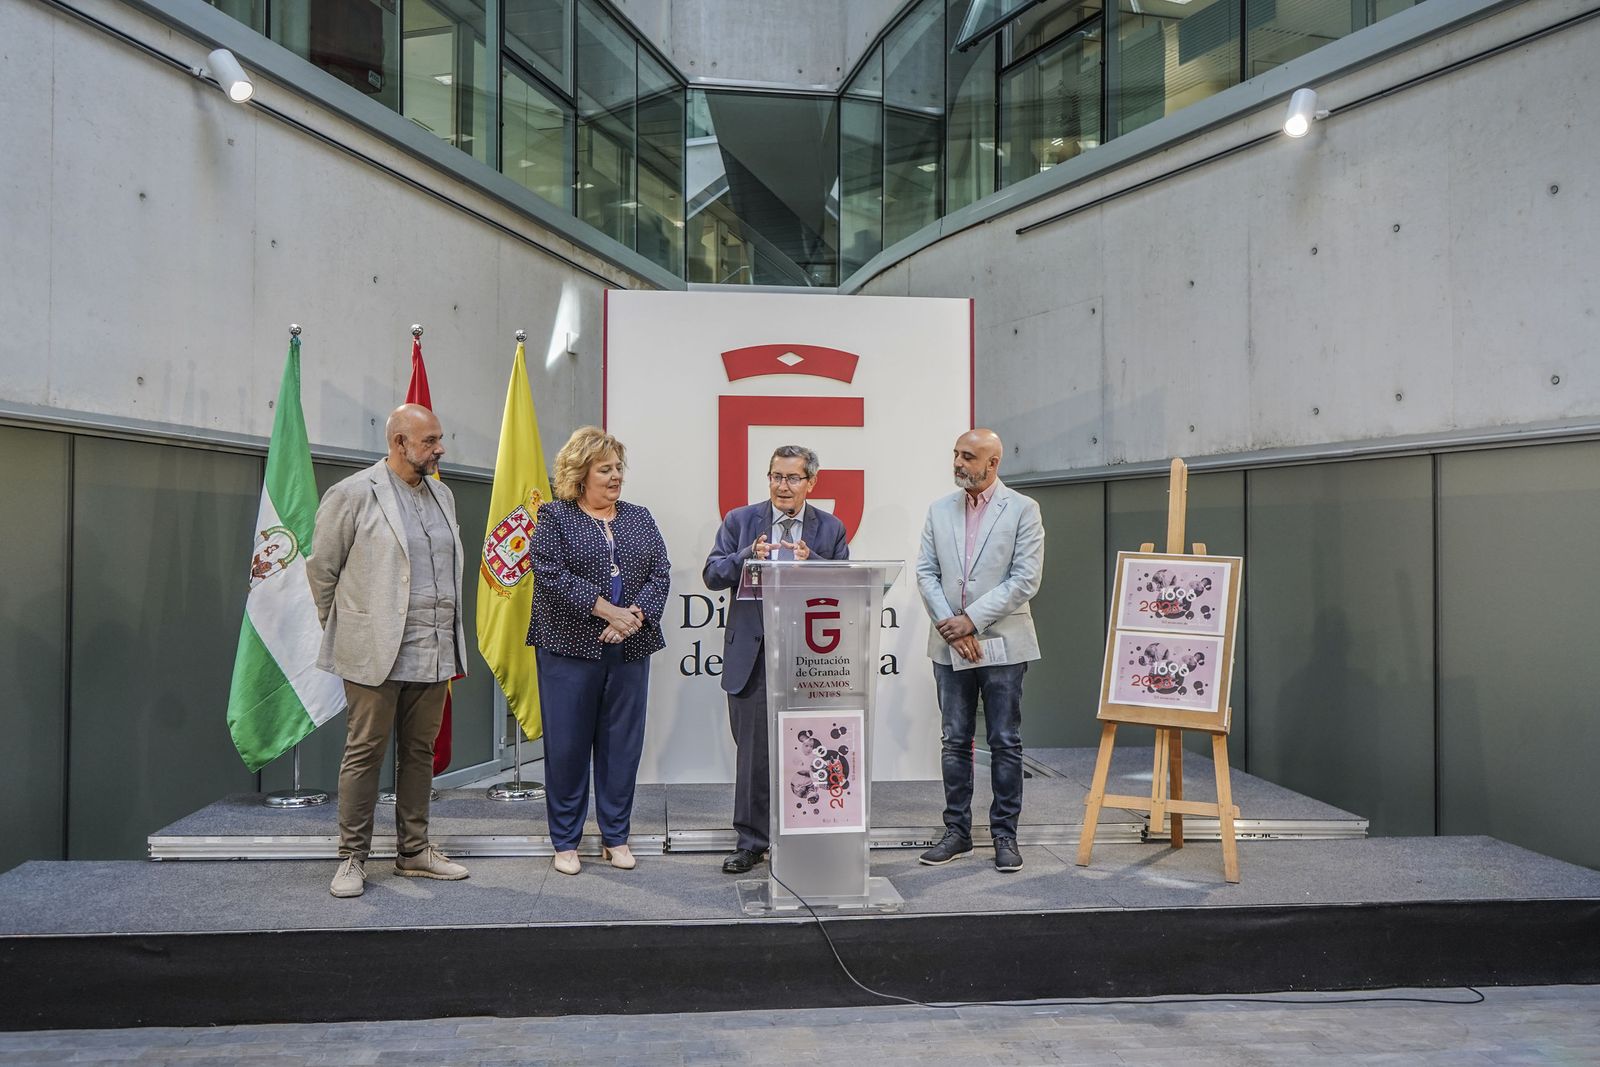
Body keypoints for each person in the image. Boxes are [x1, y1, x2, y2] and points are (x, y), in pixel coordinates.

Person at [308, 403, 471, 898]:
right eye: (430, 441)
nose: (439, 449)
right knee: (365, 753)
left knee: (419, 753)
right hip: (374, 652)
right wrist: (349, 629)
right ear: (399, 443)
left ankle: (413, 851)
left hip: (434, 648)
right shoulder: (353, 494)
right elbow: (322, 571)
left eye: (440, 439)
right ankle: (351, 858)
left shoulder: (443, 494)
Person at [527, 427, 670, 876]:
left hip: (630, 647)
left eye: (618, 469)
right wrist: (607, 611)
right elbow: (549, 572)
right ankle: (566, 842)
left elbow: (660, 573)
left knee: (621, 747)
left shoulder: (640, 517)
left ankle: (616, 837)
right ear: (580, 473)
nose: (615, 477)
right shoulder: (554, 517)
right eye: (605, 469)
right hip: (568, 648)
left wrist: (632, 618)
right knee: (568, 746)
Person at [703, 445, 851, 874]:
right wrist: (746, 555)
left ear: (811, 483)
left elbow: (847, 584)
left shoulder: (831, 527)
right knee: (753, 754)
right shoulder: (741, 521)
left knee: (812, 749)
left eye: (792, 478)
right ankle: (751, 841)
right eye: (775, 477)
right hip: (754, 653)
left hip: (809, 657)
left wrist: (815, 564)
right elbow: (713, 575)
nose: (782, 486)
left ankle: (805, 836)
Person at [914, 428, 1045, 873]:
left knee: (1005, 742)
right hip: (950, 641)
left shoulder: (1024, 510)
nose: (958, 463)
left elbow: (1025, 579)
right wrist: (954, 628)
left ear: (993, 463)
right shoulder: (939, 509)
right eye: (955, 454)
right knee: (955, 740)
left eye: (968, 457)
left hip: (1004, 644)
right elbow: (926, 573)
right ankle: (958, 832)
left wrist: (972, 620)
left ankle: (1005, 836)